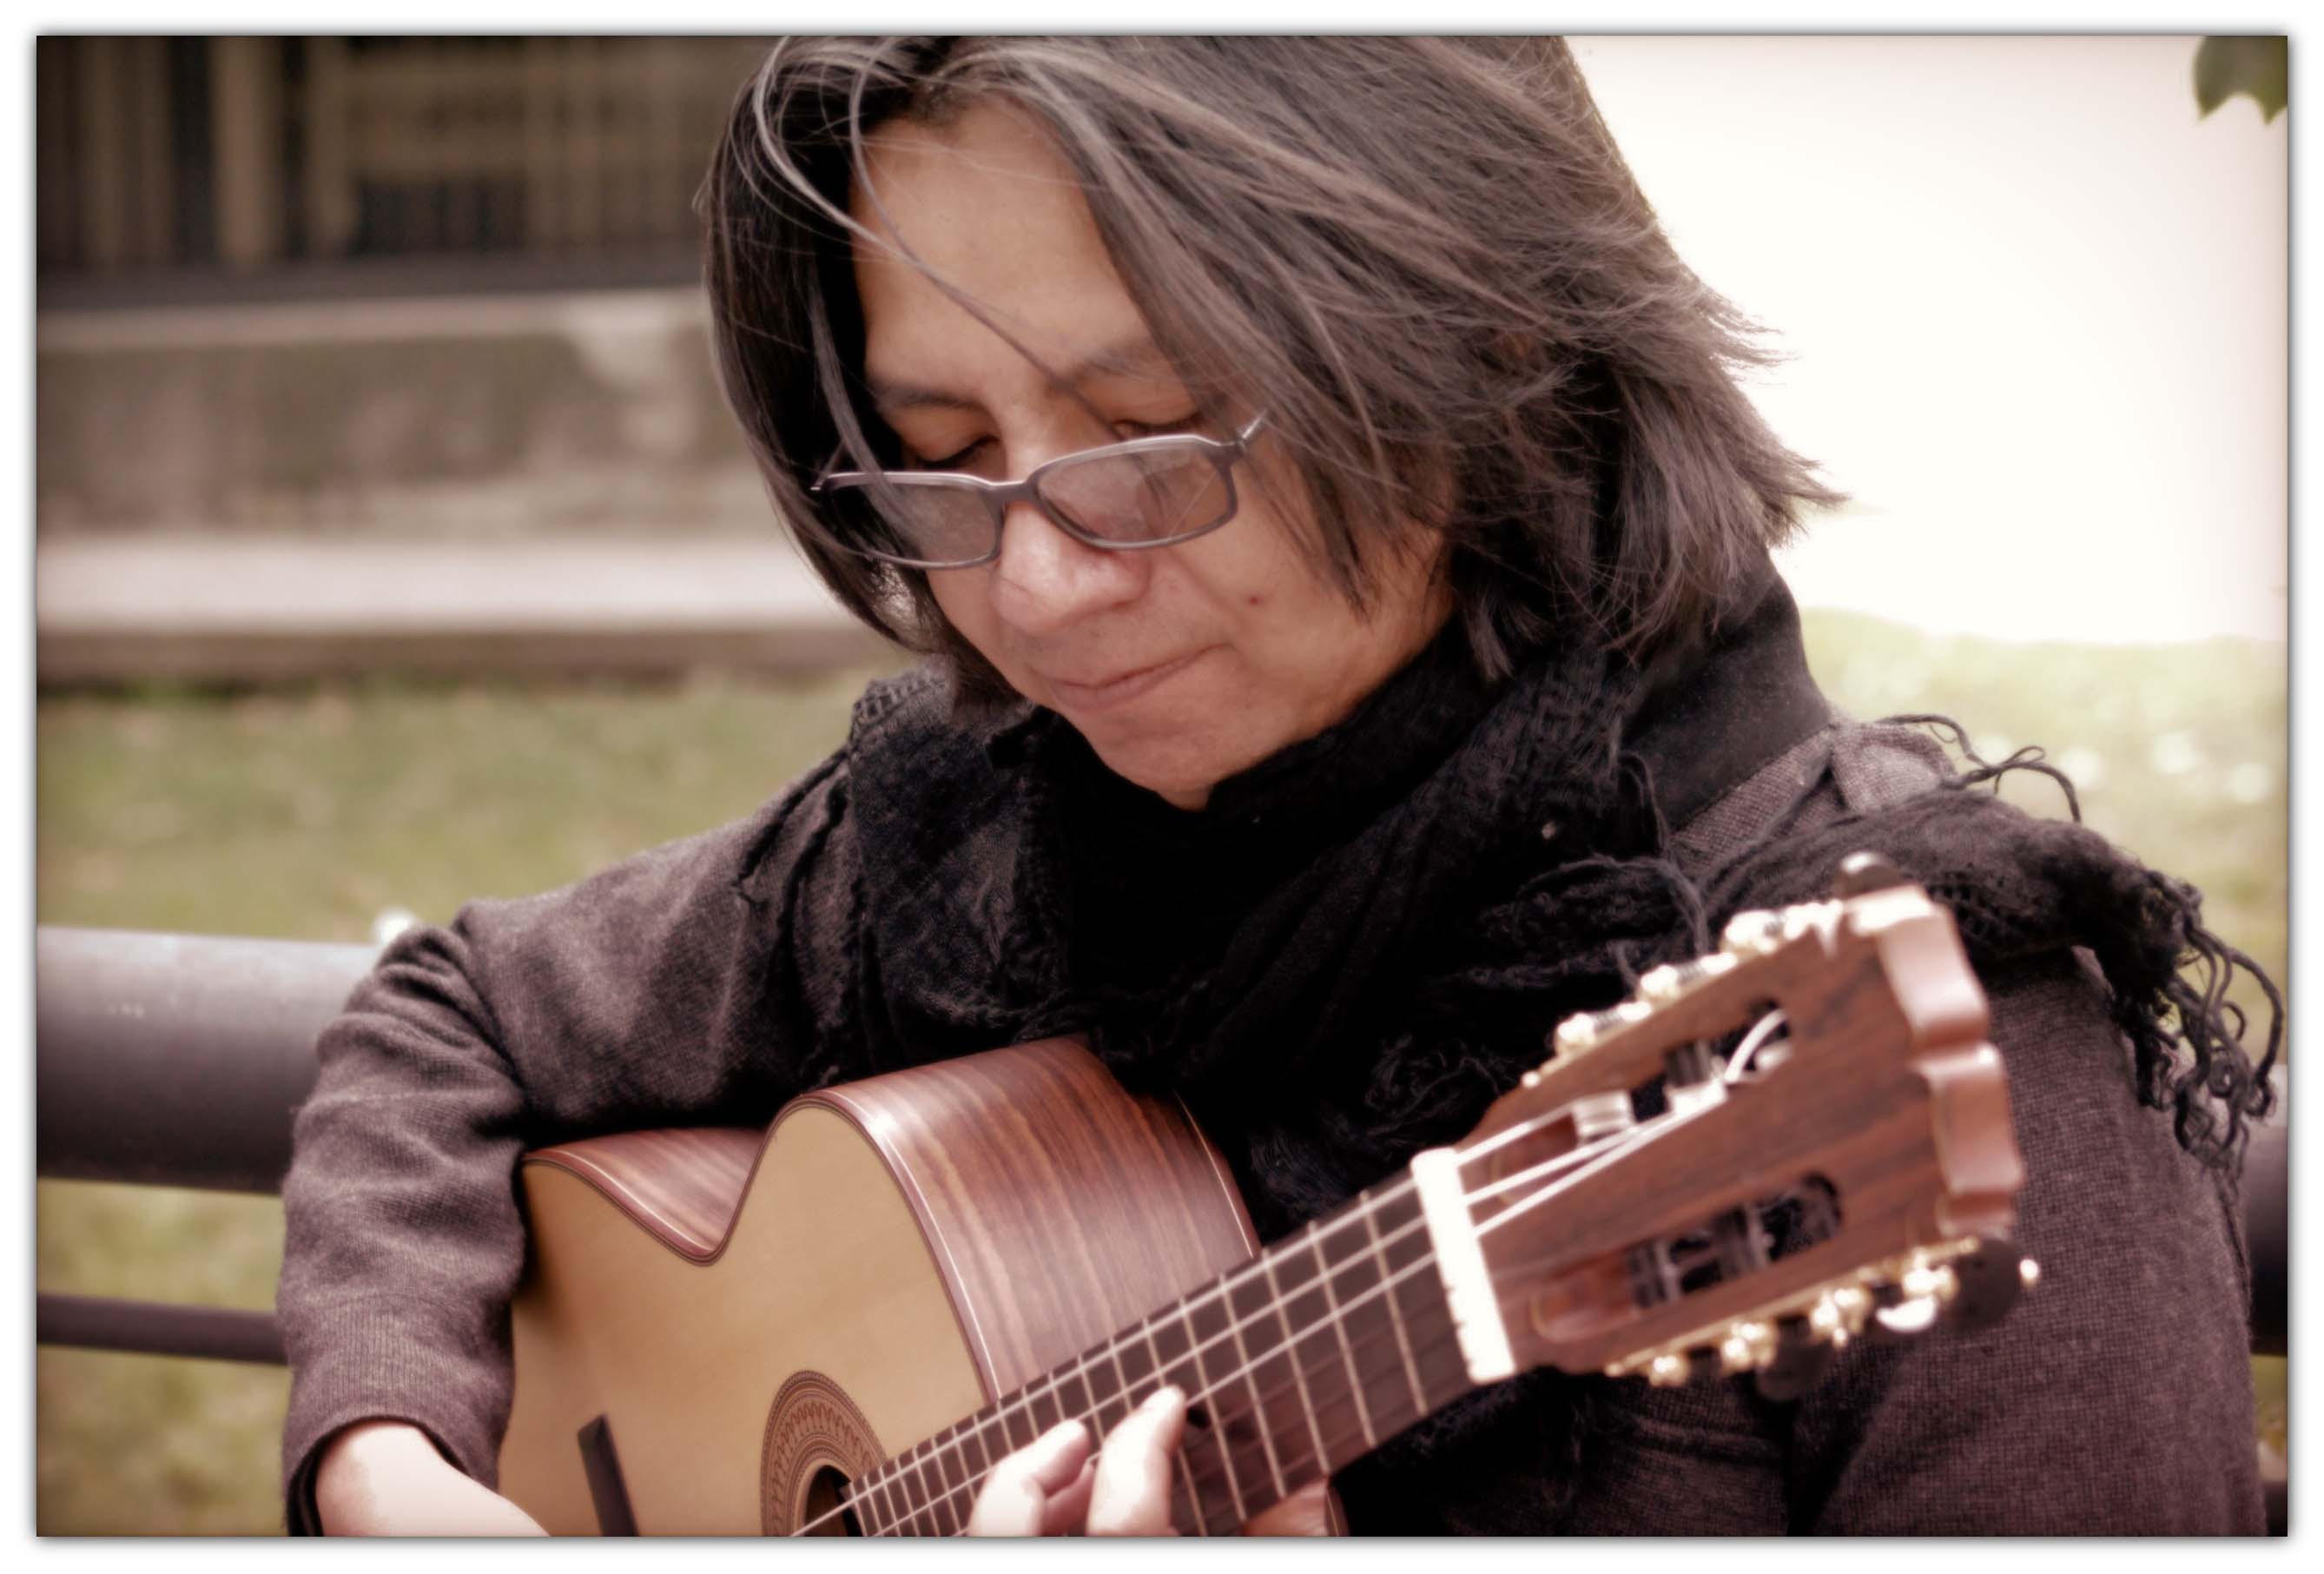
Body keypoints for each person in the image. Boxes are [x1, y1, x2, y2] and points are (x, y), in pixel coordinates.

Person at [280, 36, 2276, 1536]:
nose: (1036, 587)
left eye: (1152, 434)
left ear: (1480, 351)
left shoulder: (1960, 1068)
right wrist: (388, 1466)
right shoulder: (968, 850)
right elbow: (452, 1014)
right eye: (943, 454)